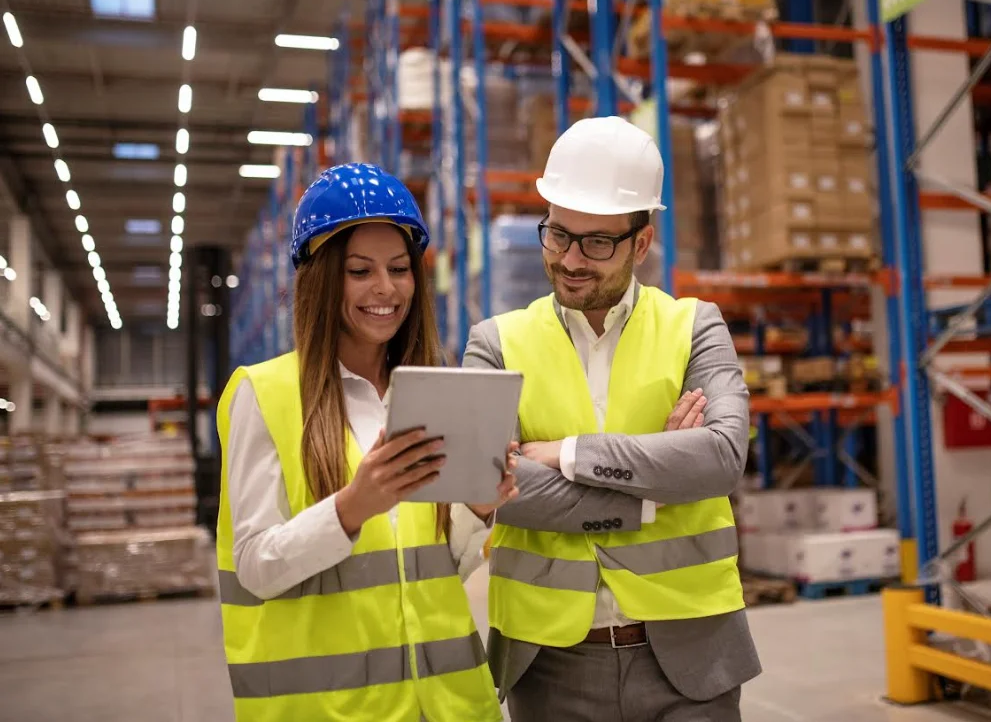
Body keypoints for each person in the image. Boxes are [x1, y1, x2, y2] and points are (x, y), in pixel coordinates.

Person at [464, 117, 761, 721]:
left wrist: (566, 452)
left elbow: (723, 459)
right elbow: (488, 484)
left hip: (690, 656)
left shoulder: (695, 327)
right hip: (548, 662)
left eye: (597, 243)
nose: (572, 259)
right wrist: (655, 486)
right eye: (558, 236)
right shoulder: (495, 343)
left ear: (641, 244)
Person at [216, 163, 517, 722]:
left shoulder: (431, 393)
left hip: (450, 705)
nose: (386, 289)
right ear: (322, 277)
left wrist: (479, 509)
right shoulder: (267, 394)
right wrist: (352, 507)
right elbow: (255, 567)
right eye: (360, 271)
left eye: (399, 269)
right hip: (337, 710)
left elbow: (431, 571)